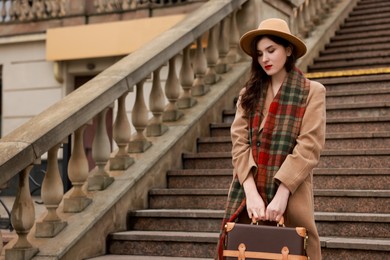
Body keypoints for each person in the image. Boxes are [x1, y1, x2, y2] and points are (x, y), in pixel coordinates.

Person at [217, 18, 326, 259]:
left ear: (288, 50)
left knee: (295, 252)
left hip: (291, 193)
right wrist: (251, 193)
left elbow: (309, 146)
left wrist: (282, 194)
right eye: (259, 53)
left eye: (271, 50)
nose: (264, 58)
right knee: (246, 251)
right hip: (248, 194)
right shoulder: (249, 94)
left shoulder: (312, 92)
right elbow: (239, 143)